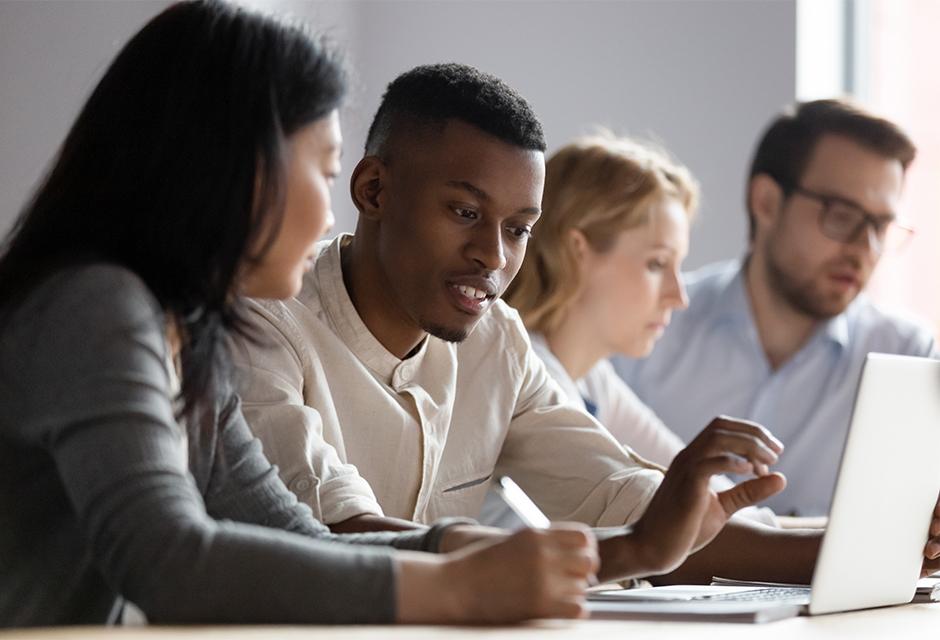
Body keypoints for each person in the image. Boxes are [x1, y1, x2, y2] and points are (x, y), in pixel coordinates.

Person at [0, 1, 609, 627]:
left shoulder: (185, 331)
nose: (327, 217)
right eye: (322, 169)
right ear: (234, 166)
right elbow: (166, 561)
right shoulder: (95, 305)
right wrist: (453, 585)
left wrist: (447, 547)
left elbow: (298, 535)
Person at [237, 61, 911, 586]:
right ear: (373, 190)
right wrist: (636, 548)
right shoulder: (266, 325)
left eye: (519, 229)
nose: (494, 257)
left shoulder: (496, 341)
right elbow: (338, 536)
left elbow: (627, 499)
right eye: (465, 213)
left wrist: (890, 549)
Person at [614, 99, 940, 517]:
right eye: (842, 216)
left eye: (879, 226)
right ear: (766, 202)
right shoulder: (651, 325)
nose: (864, 249)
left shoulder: (906, 355)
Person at [502, 133, 776, 527]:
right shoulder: (528, 371)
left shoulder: (593, 380)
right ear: (577, 252)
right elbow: (660, 515)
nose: (679, 296)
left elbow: (714, 498)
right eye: (656, 264)